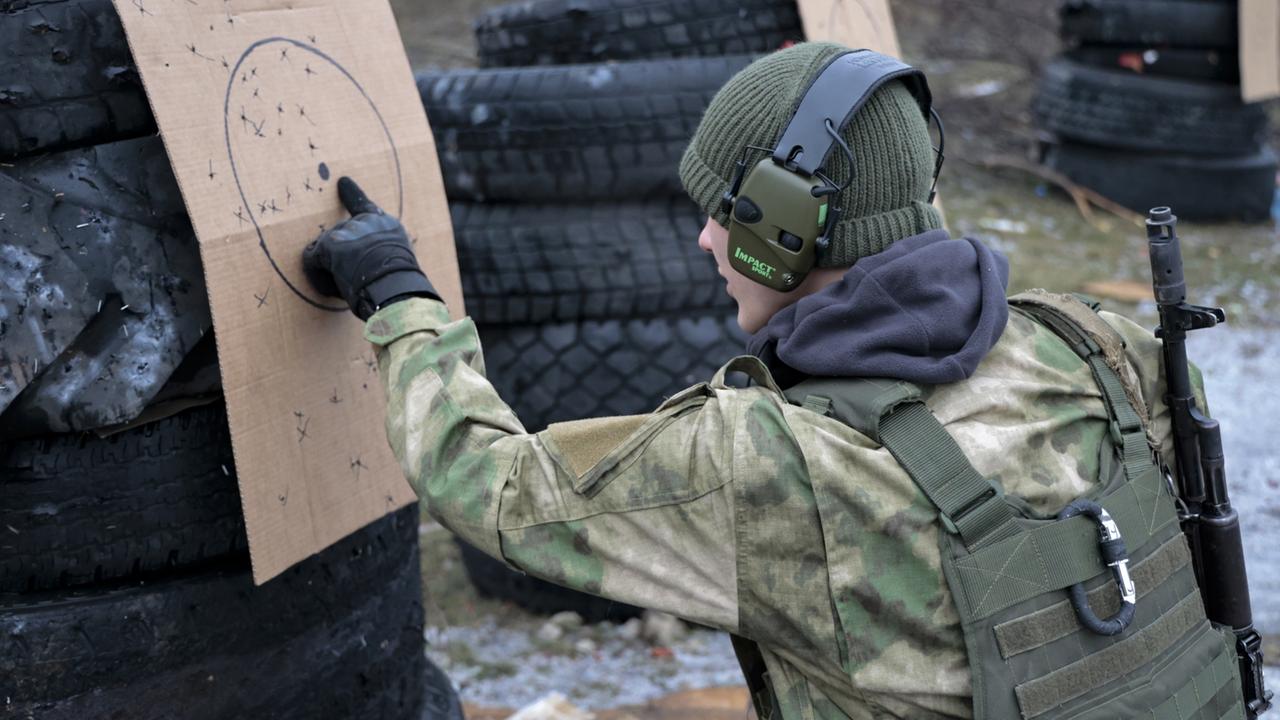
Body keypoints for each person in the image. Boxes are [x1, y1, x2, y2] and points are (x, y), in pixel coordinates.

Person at [303, 43, 1228, 720]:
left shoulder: (770, 463)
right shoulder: (1097, 340)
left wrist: (399, 294)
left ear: (784, 228)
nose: (705, 240)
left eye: (724, 213)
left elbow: (491, 487)